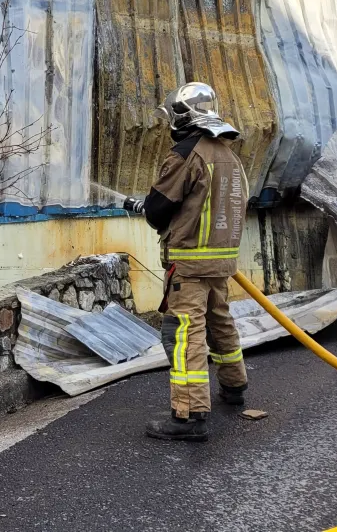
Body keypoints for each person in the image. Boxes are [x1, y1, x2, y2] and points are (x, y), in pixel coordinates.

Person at [122, 82, 249, 442]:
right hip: (220, 262)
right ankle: (234, 386)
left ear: (181, 117)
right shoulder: (228, 155)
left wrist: (146, 207)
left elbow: (158, 210)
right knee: (219, 323)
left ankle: (190, 414)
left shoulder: (186, 153)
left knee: (184, 334)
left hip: (190, 265)